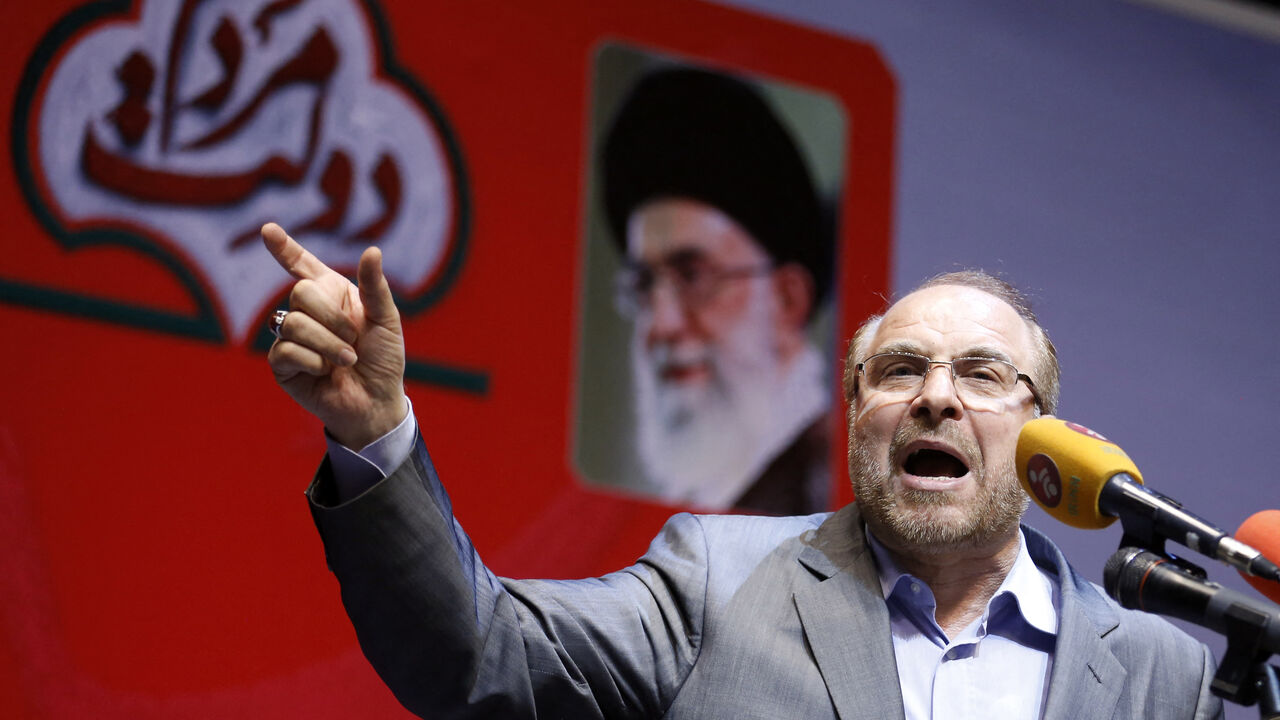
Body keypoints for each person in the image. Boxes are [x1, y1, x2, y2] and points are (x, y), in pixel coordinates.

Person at [263, 222, 1222, 719]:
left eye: (980, 374)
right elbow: (480, 654)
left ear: (1045, 437)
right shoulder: (718, 580)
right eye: (898, 370)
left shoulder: (1158, 674)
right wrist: (379, 427)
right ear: (854, 418)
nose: (936, 397)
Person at [595, 67, 834, 514]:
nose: (661, 324)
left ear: (787, 301)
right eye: (645, 284)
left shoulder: (831, 504)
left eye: (693, 276)